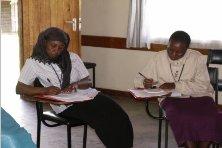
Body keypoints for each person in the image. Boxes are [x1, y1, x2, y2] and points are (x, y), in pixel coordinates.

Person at [16, 27, 133, 148]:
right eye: (53, 46)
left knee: (118, 113)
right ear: (44, 43)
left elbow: (87, 82)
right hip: (64, 105)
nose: (57, 50)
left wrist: (76, 85)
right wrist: (45, 89)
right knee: (101, 118)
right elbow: (20, 88)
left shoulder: (73, 58)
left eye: (61, 47)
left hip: (85, 95)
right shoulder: (33, 63)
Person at [134, 31, 221, 148]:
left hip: (200, 97)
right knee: (182, 118)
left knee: (212, 117)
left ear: (187, 49)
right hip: (171, 99)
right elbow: (139, 79)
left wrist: (176, 85)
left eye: (179, 53)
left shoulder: (197, 58)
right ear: (167, 45)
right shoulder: (158, 57)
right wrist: (145, 83)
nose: (173, 55)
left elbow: (203, 86)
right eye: (170, 50)